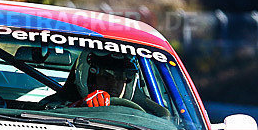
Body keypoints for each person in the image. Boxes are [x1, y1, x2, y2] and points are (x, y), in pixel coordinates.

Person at [40, 51, 169, 117]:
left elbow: (176, 125)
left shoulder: (150, 115)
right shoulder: (55, 105)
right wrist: (77, 106)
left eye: (121, 77)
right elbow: (38, 112)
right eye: (106, 76)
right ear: (89, 77)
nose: (114, 83)